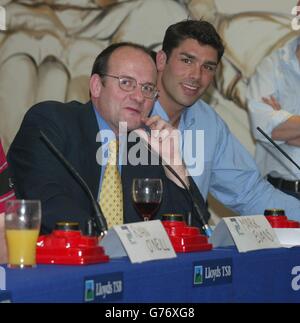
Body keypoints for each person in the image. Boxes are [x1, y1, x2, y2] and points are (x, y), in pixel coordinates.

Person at [7, 42, 209, 235]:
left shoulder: (147, 147)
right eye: (126, 83)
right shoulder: (51, 122)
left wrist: (175, 164)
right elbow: (49, 204)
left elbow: (196, 228)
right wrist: (116, 241)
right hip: (58, 265)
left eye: (147, 88)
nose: (139, 97)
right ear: (96, 86)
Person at [151, 19, 300, 222]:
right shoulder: (130, 112)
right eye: (187, 60)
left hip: (188, 248)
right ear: (162, 60)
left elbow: (250, 194)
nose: (196, 75)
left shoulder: (208, 122)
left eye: (208, 67)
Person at [247, 36, 300, 199]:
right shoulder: (271, 66)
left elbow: (275, 130)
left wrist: (282, 118)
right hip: (280, 192)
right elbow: (263, 129)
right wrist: (275, 129)